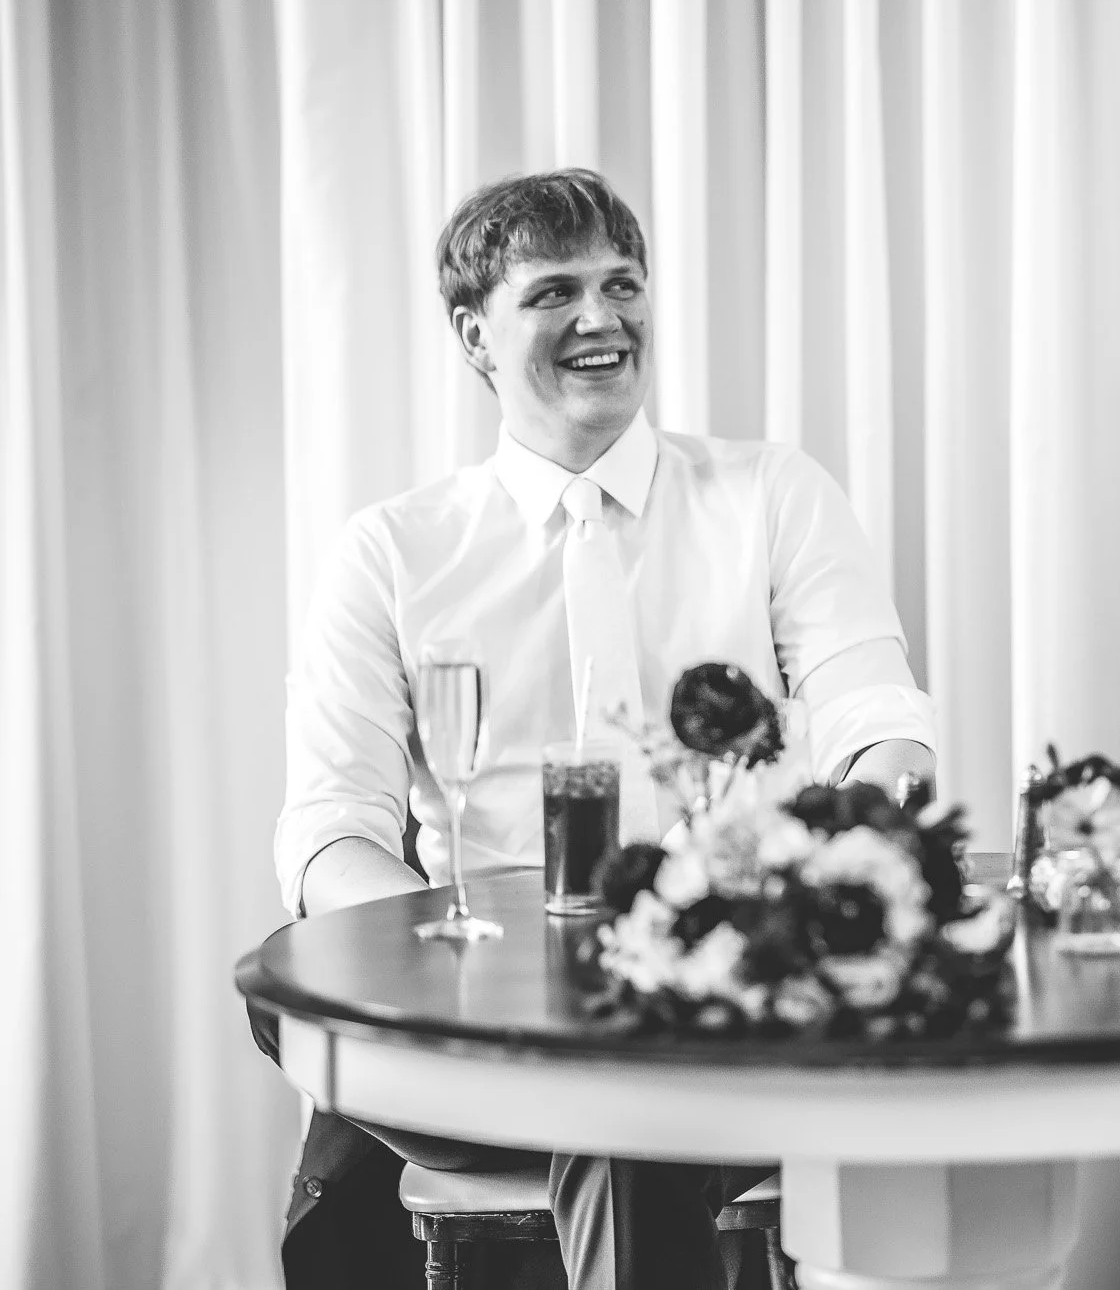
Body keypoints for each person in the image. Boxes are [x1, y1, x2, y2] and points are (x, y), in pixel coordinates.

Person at [262, 168, 937, 1290]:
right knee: (301, 1036)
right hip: (473, 1015)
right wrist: (461, 961)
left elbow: (873, 711)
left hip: (720, 1000)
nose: (602, 318)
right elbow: (332, 828)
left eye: (622, 284)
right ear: (476, 336)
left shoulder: (770, 493)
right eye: (556, 292)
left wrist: (873, 813)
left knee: (627, 1103)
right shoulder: (391, 551)